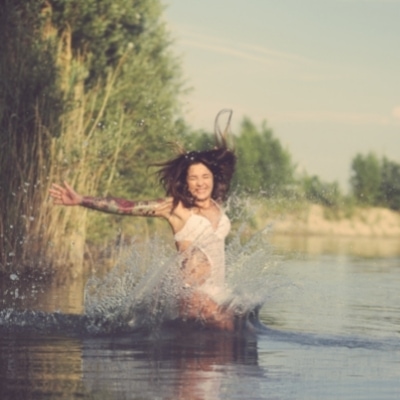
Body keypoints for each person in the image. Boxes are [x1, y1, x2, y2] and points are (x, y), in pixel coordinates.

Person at [49, 110, 237, 330]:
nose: (200, 183)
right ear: (185, 182)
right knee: (225, 324)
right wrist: (82, 200)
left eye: (205, 177)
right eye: (193, 178)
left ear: (214, 178)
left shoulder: (217, 203)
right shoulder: (176, 208)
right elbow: (127, 206)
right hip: (190, 292)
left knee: (235, 324)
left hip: (216, 291)